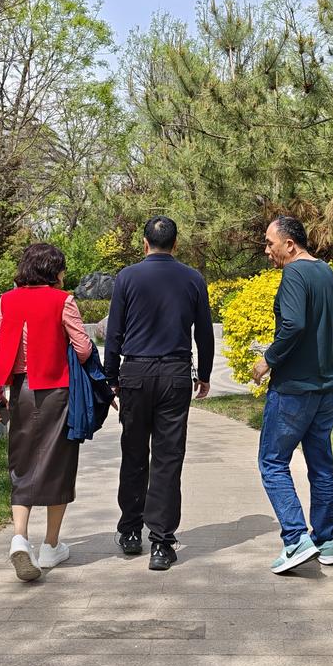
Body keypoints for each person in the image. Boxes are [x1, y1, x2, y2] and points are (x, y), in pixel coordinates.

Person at [103, 215, 214, 571]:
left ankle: (130, 531)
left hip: (135, 373)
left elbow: (114, 332)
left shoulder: (127, 277)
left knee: (133, 453)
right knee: (167, 458)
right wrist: (205, 374)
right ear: (176, 244)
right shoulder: (193, 278)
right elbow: (204, 333)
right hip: (175, 374)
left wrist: (110, 377)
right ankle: (162, 544)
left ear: (144, 243)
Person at [0, 242, 94, 582]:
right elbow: (83, 348)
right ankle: (50, 546)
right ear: (53, 271)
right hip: (57, 392)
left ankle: (20, 537)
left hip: (21, 390)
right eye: (62, 268)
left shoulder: (7, 300)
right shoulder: (63, 301)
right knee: (58, 463)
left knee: (22, 463)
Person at [251, 215, 333, 574]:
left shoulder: (293, 274)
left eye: (270, 243)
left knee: (272, 462)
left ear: (290, 245)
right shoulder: (325, 271)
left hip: (293, 390)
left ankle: (296, 539)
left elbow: (294, 324)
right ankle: (326, 541)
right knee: (321, 464)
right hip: (326, 388)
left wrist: (267, 359)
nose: (267, 250)